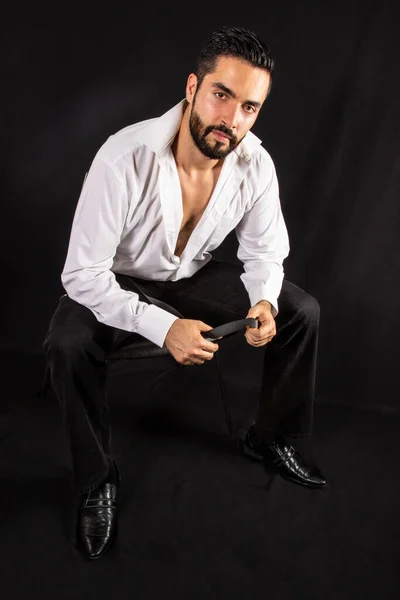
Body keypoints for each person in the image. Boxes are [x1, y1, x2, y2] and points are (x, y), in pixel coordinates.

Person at [42, 26, 327, 560]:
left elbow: (265, 254)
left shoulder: (255, 165)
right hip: (114, 279)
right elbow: (83, 275)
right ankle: (95, 478)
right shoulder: (123, 157)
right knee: (67, 346)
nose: (232, 119)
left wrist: (263, 300)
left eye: (249, 107)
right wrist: (162, 326)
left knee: (299, 311)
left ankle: (271, 434)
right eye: (222, 95)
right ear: (193, 87)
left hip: (188, 275)